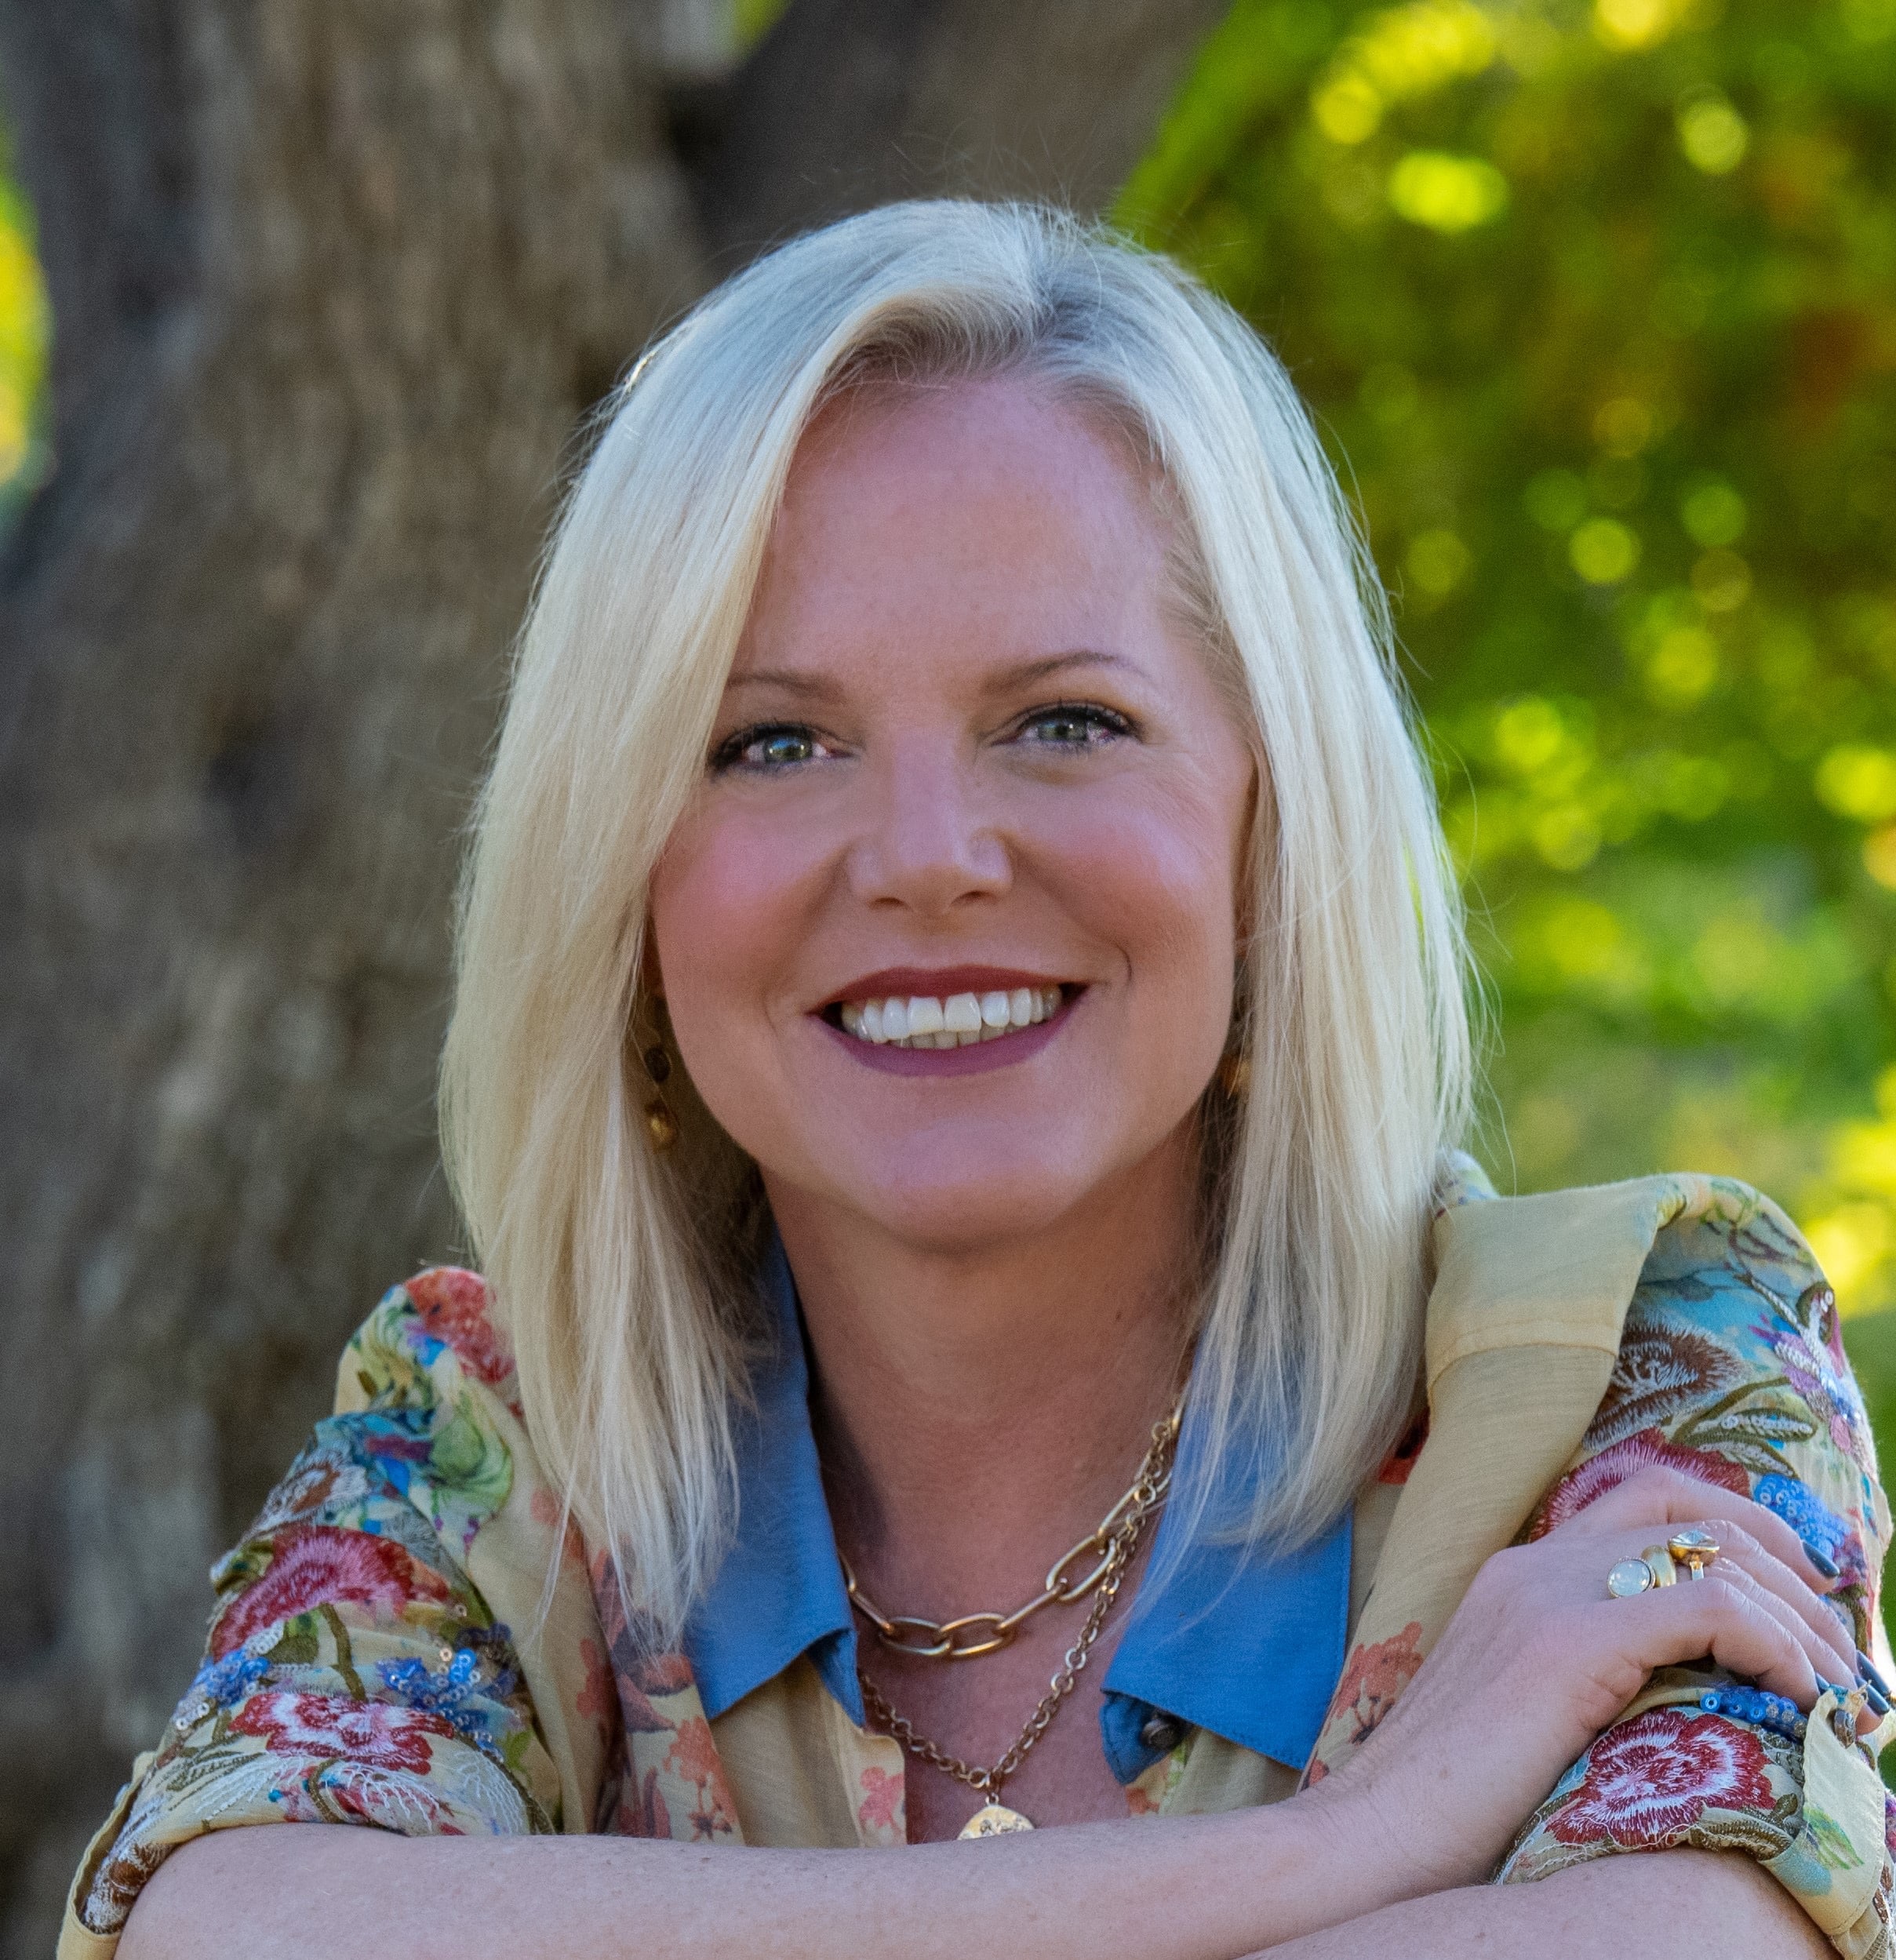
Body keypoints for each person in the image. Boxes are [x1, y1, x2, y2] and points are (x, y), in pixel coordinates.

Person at [66, 201, 1892, 1960]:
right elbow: (227, 1927)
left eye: (1066, 721)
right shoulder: (491, 1443)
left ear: (1274, 820)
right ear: (618, 875)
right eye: (771, 741)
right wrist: (1356, 1846)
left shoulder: (1636, 1369)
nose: (929, 855)